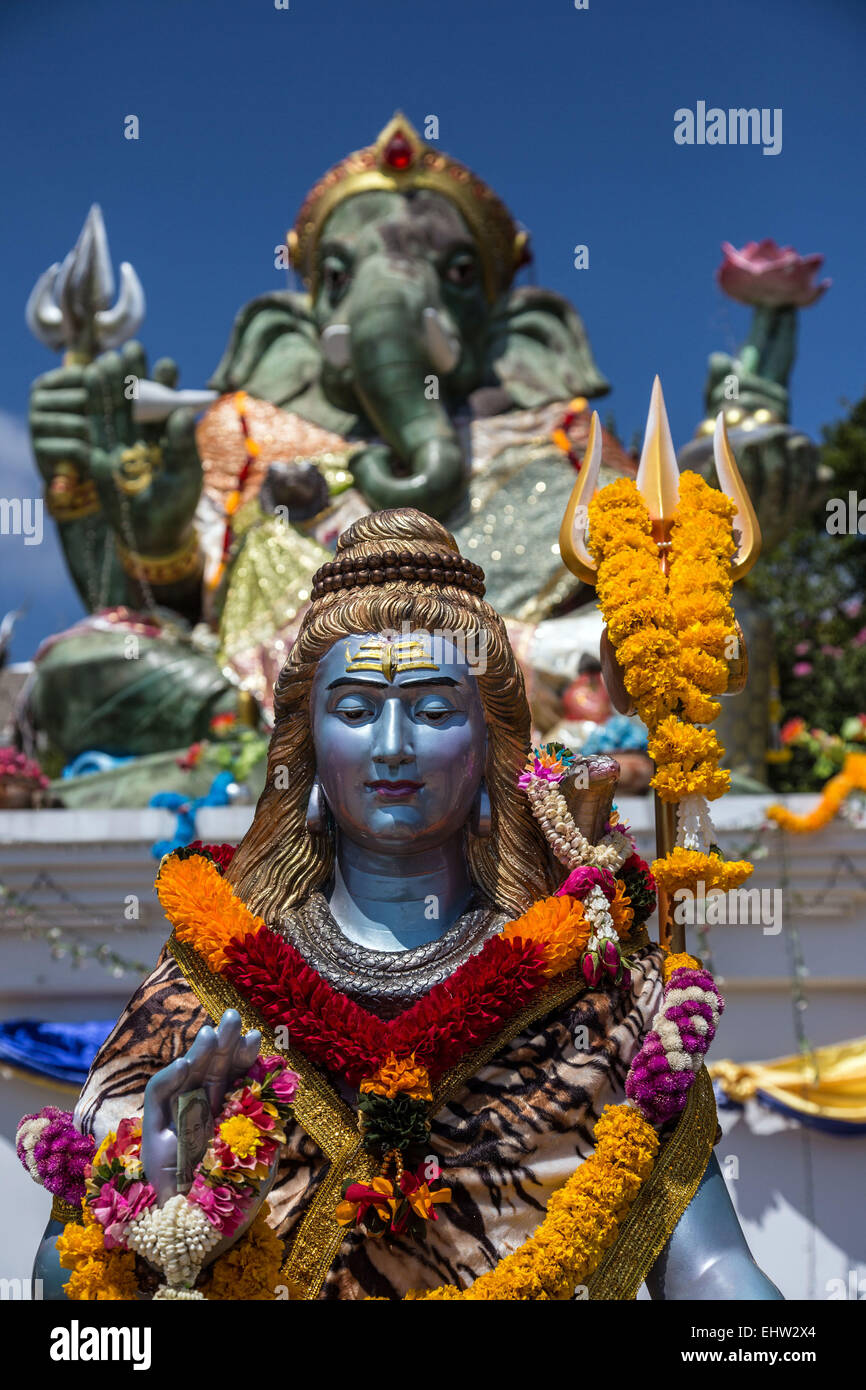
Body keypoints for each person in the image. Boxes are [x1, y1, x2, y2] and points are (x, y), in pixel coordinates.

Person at [32, 508, 781, 1300]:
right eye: (355, 711)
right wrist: (168, 1213)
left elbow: (710, 1268)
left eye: (432, 711)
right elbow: (57, 1283)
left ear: (491, 742)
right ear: (308, 746)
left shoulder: (592, 991)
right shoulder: (204, 995)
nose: (392, 745)